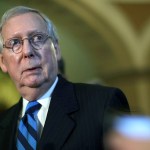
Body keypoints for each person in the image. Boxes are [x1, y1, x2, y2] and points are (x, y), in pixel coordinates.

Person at [0, 6, 130, 150]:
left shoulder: (103, 103)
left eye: (37, 38)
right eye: (15, 43)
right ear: (3, 62)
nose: (27, 51)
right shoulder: (3, 123)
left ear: (56, 49)